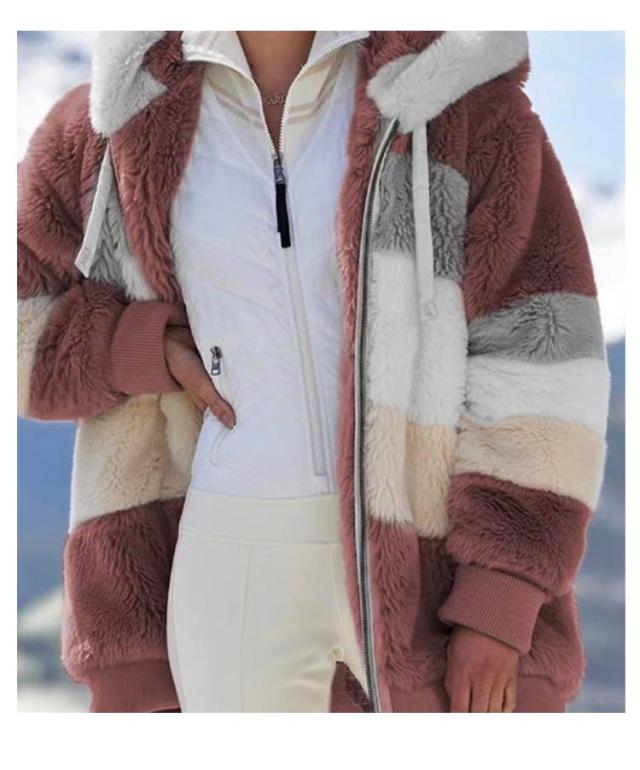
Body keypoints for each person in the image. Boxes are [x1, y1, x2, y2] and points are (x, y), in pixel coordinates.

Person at [17, 30, 610, 713]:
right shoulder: (112, 121)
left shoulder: (457, 96)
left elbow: (545, 352)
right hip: (230, 556)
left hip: (428, 565)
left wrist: (500, 594)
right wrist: (138, 347)